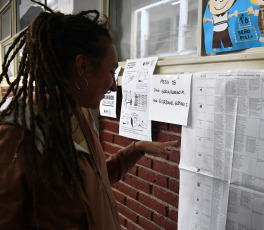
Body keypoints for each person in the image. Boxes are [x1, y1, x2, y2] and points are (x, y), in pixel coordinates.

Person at [0, 1, 178, 229]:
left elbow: (97, 181)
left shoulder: (79, 115)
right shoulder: (15, 135)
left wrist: (136, 149)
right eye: (112, 72)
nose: (114, 86)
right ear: (82, 66)